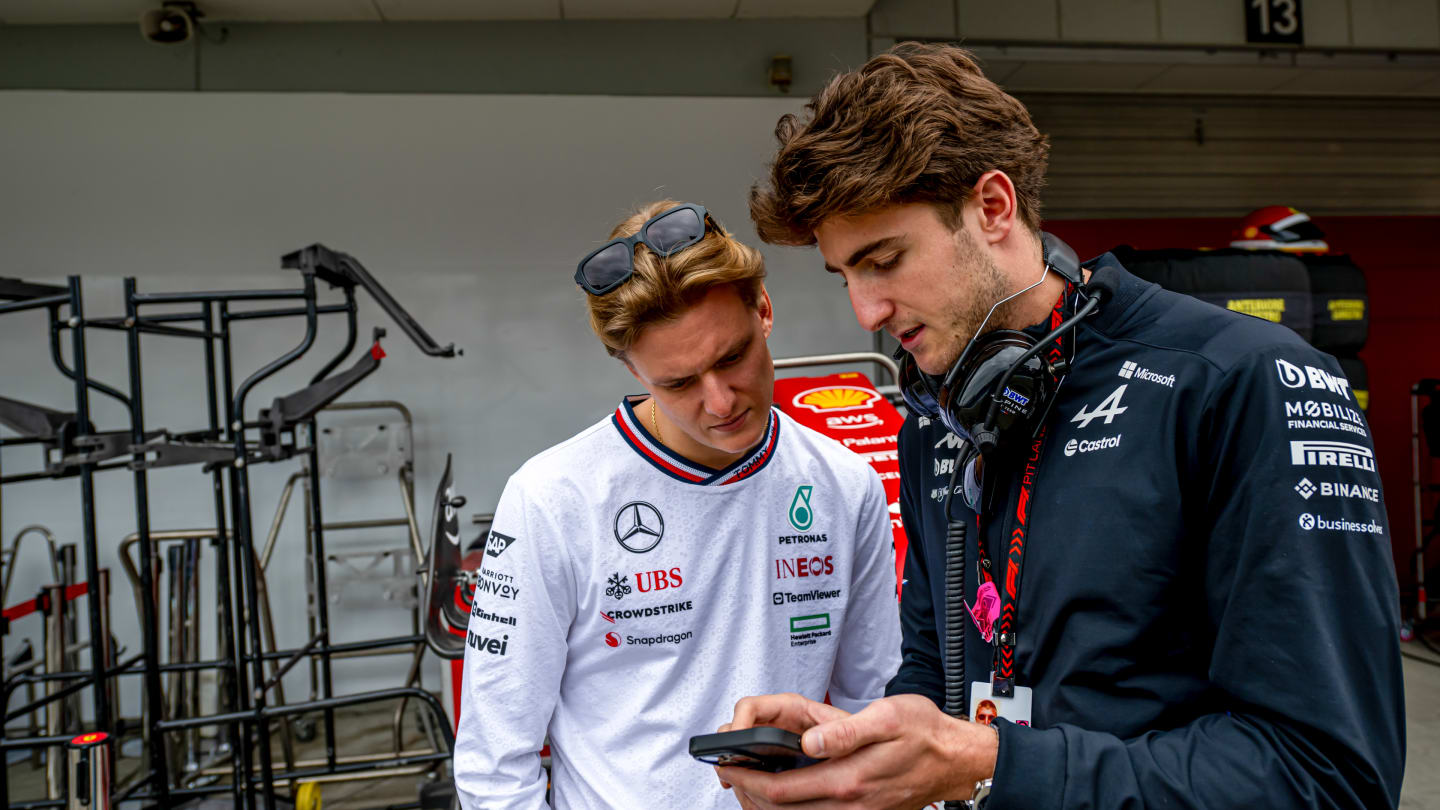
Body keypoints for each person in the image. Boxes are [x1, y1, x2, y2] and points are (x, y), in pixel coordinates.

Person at [716, 44, 1405, 809]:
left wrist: (993, 763)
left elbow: (1329, 775)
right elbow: (934, 671)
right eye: (846, 275)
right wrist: (859, 744)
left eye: (884, 259)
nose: (867, 311)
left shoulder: (1238, 381)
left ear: (994, 206)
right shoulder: (938, 418)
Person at [452, 200, 901, 809]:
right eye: (679, 383)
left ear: (763, 311)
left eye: (732, 358)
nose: (719, 401)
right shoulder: (552, 499)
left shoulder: (846, 486)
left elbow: (870, 706)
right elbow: (494, 763)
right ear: (633, 369)